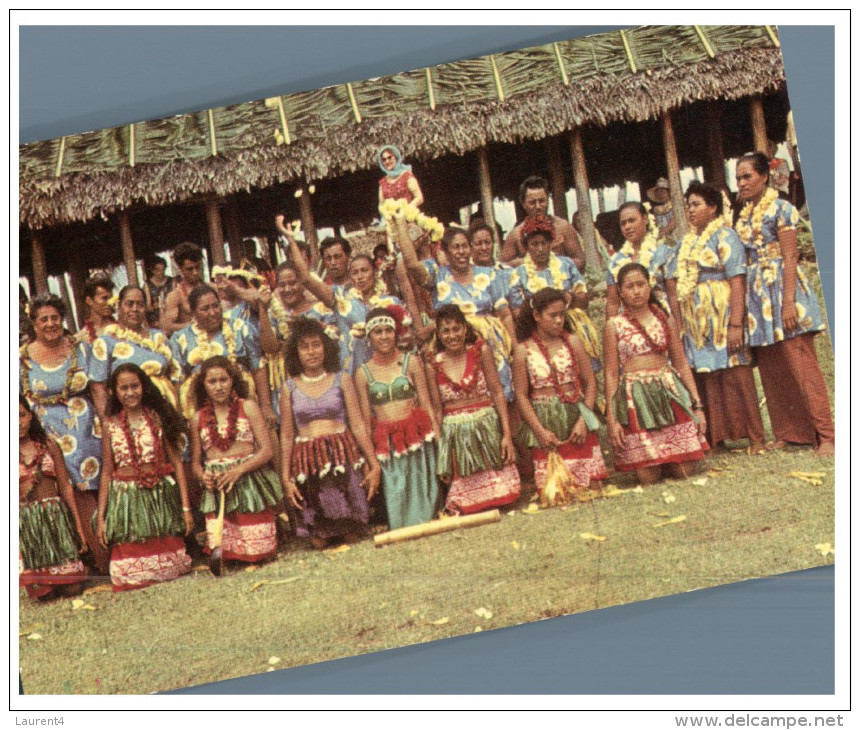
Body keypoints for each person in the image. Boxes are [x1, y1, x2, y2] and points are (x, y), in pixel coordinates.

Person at [734, 152, 834, 455]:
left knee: (800, 363)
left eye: (747, 176)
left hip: (783, 289)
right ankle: (791, 433)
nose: (741, 183)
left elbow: (791, 255)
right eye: (738, 178)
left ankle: (827, 435)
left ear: (764, 176)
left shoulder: (782, 209)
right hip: (758, 298)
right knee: (773, 367)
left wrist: (788, 301)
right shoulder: (743, 216)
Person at [671, 181, 767, 453]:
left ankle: (755, 437)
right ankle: (716, 436)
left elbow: (737, 280)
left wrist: (736, 323)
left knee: (735, 369)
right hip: (697, 319)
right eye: (688, 205)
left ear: (713, 208)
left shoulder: (725, 235)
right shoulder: (687, 241)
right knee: (707, 373)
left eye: (696, 204)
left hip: (722, 311)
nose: (690, 210)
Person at [20, 294, 109, 574]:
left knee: (90, 491)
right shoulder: (19, 359)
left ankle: (103, 552)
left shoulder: (81, 349)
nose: (50, 324)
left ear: (63, 319)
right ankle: (70, 558)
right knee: (56, 494)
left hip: (84, 430)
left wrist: (107, 421)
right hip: (45, 433)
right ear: (33, 324)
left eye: (55, 318)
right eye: (43, 319)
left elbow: (97, 388)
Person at [279, 318, 381, 548]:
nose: (311, 351)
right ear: (296, 353)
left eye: (316, 344)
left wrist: (373, 463)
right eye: (304, 346)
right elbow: (286, 436)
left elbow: (357, 424)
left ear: (326, 347)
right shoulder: (289, 388)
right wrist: (286, 478)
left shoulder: (341, 379)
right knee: (319, 542)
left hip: (342, 457)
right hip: (309, 463)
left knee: (351, 536)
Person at [604, 264, 708, 484]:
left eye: (641, 284)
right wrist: (612, 419)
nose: (636, 291)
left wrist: (697, 406)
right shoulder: (614, 325)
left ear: (649, 286)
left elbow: (681, 363)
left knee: (684, 472)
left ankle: (672, 455)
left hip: (668, 390)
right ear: (621, 292)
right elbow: (611, 374)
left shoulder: (664, 318)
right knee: (648, 477)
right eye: (630, 286)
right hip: (636, 397)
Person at [96, 364, 194, 590]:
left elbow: (177, 464)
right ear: (114, 392)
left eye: (135, 386)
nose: (130, 392)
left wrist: (186, 509)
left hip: (159, 495)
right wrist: (102, 518)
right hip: (126, 499)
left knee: (170, 568)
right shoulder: (109, 425)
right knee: (132, 574)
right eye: (123, 388)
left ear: (144, 387)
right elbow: (107, 472)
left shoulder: (158, 418)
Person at [398, 219, 516, 401]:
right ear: (444, 251)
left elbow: (505, 315)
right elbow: (412, 265)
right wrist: (400, 222)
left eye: (465, 246)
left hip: (490, 349)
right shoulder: (437, 274)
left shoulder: (489, 275)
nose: (461, 252)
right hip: (450, 347)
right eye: (455, 247)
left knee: (498, 397)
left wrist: (513, 350)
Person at [280, 220, 414, 374]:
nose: (360, 276)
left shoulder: (391, 303)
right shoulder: (341, 300)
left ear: (374, 273)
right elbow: (305, 279)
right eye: (355, 272)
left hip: (388, 375)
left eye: (364, 271)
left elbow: (407, 343)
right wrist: (291, 239)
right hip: (352, 375)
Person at [425, 305, 520, 515]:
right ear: (438, 335)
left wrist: (506, 435)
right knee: (467, 505)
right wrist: (443, 452)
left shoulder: (481, 351)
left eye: (456, 329)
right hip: (457, 435)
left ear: (465, 329)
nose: (452, 336)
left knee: (503, 497)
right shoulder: (433, 364)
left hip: (487, 428)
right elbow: (437, 410)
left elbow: (496, 392)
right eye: (445, 331)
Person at [512, 289, 608, 495]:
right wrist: (539, 432)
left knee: (591, 487)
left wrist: (584, 421)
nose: (558, 321)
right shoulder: (523, 351)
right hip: (545, 423)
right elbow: (521, 395)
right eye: (552, 315)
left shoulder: (572, 341)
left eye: (562, 315)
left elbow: (590, 383)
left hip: (576, 417)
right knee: (555, 492)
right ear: (536, 316)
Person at [190, 357, 282, 565]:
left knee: (258, 552)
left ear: (232, 380)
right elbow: (196, 462)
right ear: (203, 385)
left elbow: (266, 451)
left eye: (223, 380)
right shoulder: (197, 418)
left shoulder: (247, 407)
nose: (218, 387)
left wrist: (238, 471)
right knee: (225, 554)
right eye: (212, 382)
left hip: (248, 482)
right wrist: (203, 476)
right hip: (218, 488)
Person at [355, 308, 440, 530]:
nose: (384, 337)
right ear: (369, 337)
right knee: (397, 489)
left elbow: (426, 403)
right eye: (378, 332)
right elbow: (364, 419)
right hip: (388, 444)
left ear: (396, 333)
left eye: (388, 331)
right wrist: (367, 456)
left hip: (416, 438)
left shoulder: (410, 362)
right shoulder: (363, 373)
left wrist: (439, 439)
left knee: (424, 486)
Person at [507, 215, 601, 372]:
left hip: (570, 326)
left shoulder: (566, 264)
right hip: (537, 332)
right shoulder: (519, 274)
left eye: (544, 243)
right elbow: (517, 312)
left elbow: (584, 300)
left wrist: (570, 297)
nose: (540, 248)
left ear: (551, 243)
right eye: (534, 244)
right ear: (526, 247)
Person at [19, 396, 88, 600]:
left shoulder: (49, 445)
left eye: (21, 415)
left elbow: (66, 487)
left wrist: (78, 527)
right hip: (29, 523)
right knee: (44, 594)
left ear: (30, 415)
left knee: (72, 589)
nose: (17, 422)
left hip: (55, 517)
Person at [169, 284, 270, 423]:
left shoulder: (240, 328)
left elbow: (258, 366)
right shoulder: (180, 338)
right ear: (193, 313)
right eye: (205, 309)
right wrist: (180, 417)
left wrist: (265, 406)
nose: (212, 313)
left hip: (242, 401)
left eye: (216, 306)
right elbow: (178, 380)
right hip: (200, 407)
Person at [90, 285, 182, 414]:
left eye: (140, 304)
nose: (135, 309)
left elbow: (174, 375)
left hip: (165, 409)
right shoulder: (106, 342)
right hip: (129, 412)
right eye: (129, 304)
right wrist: (106, 420)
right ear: (118, 307)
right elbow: (98, 388)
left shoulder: (158, 337)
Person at [606, 201, 677, 320]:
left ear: (645, 219)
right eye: (623, 223)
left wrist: (679, 330)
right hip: (630, 325)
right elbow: (612, 303)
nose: (627, 227)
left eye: (632, 220)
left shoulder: (663, 253)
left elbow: (673, 295)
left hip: (662, 320)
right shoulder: (615, 262)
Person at [501, 176, 585, 271]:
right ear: (523, 204)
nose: (538, 206)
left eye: (542, 201)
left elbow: (580, 260)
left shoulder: (563, 227)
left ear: (548, 200)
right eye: (532, 202)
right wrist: (522, 263)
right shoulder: (516, 234)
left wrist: (556, 265)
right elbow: (502, 267)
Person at [161, 242, 205, 337]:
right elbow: (167, 328)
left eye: (198, 267)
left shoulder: (211, 288)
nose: (195, 272)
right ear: (180, 268)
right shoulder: (175, 296)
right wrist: (193, 325)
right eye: (190, 269)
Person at [75, 276, 115, 345]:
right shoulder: (80, 338)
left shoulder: (122, 329)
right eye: (104, 298)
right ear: (89, 301)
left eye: (111, 298)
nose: (110, 302)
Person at [142, 254, 175, 328]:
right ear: (153, 270)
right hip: (155, 321)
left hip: (170, 316)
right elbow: (147, 307)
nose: (161, 272)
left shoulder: (171, 281)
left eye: (163, 270)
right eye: (158, 270)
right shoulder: (147, 285)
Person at [645, 177, 678, 243]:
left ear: (668, 192)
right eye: (658, 193)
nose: (661, 194)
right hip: (662, 236)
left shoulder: (675, 204)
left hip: (675, 233)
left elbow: (674, 221)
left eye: (663, 191)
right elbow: (657, 224)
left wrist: (664, 231)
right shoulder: (657, 209)